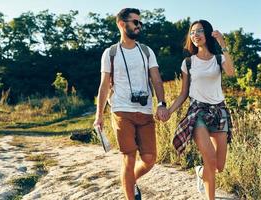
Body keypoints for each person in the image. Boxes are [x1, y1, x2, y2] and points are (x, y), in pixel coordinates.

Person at [93, 8, 168, 200]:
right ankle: (129, 194)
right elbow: (103, 85)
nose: (139, 26)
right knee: (129, 157)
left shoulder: (146, 51)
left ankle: (129, 181)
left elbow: (157, 79)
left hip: (144, 111)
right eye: (135, 22)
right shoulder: (110, 53)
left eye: (140, 23)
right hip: (121, 110)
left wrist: (161, 103)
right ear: (121, 24)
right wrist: (99, 115)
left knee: (150, 159)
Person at [167, 20, 234, 200]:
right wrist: (169, 111)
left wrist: (223, 45)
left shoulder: (218, 59)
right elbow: (183, 94)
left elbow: (230, 72)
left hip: (219, 111)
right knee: (210, 159)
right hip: (197, 112)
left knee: (219, 166)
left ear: (208, 33)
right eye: (193, 32)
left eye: (200, 31)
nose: (195, 35)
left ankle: (200, 172)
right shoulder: (188, 62)